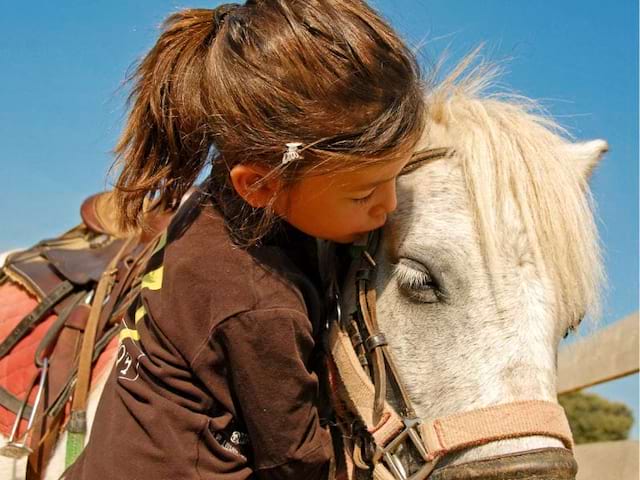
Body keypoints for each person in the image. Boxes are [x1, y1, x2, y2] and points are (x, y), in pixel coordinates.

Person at [64, 1, 425, 478]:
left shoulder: (212, 206)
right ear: (259, 185)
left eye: (394, 179)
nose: (389, 206)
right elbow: (295, 459)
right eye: (364, 194)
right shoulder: (259, 303)